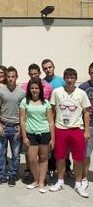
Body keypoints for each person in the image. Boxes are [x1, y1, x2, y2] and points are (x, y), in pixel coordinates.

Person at [49, 68, 91, 198]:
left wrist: (86, 131)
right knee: (60, 157)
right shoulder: (56, 92)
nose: (69, 80)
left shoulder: (82, 93)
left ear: (75, 78)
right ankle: (60, 181)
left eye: (72, 77)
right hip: (60, 129)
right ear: (64, 78)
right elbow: (52, 110)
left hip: (76, 129)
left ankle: (78, 183)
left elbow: (86, 112)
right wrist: (52, 129)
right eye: (67, 77)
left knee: (78, 158)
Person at [19, 78, 54, 194]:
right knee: (32, 159)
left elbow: (50, 122)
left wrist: (53, 138)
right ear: (29, 89)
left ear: (40, 89)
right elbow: (22, 120)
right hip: (31, 134)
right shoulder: (25, 102)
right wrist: (24, 137)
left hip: (44, 134)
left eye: (37, 88)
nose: (34, 90)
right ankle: (36, 180)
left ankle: (41, 182)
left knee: (44, 159)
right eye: (32, 88)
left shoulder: (46, 103)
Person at [0, 66, 25, 186]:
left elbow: (24, 111)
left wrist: (22, 129)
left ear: (16, 77)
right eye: (9, 77)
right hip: (3, 125)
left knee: (16, 154)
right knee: (0, 153)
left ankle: (12, 175)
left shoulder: (22, 92)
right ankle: (1, 175)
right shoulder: (1, 91)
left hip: (16, 127)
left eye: (13, 76)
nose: (11, 79)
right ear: (6, 78)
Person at [79, 62, 93, 194]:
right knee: (86, 154)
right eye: (92, 72)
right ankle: (84, 178)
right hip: (89, 126)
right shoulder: (83, 87)